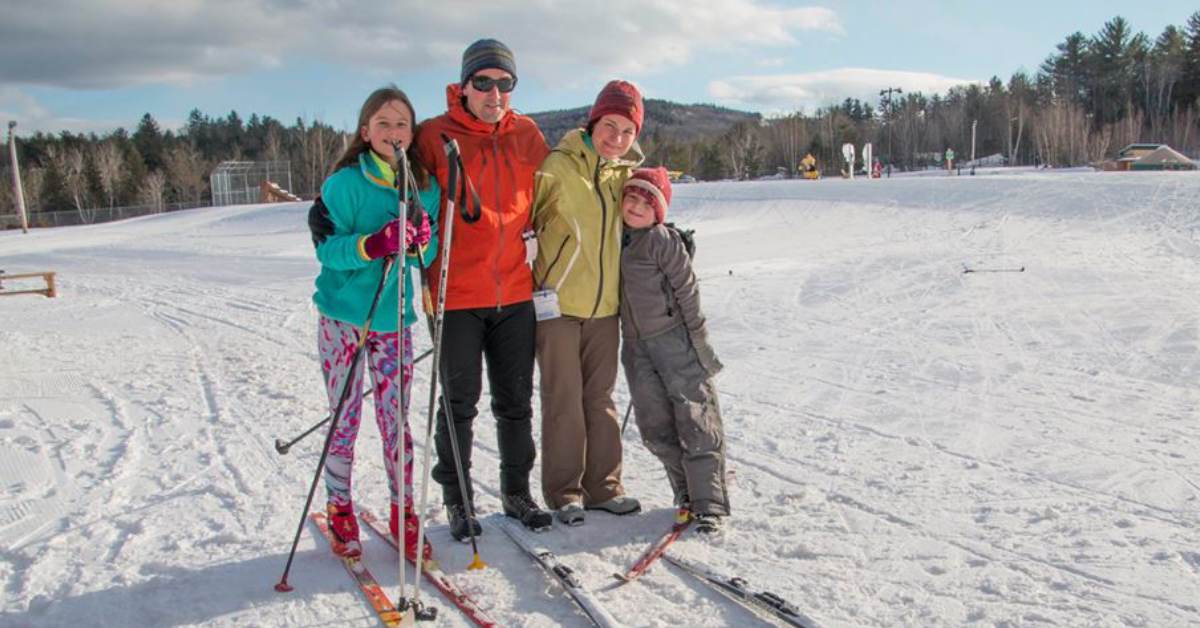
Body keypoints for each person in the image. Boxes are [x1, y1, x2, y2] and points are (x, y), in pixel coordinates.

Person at [413, 38, 553, 539]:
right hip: (455, 294)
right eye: (484, 82)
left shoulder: (528, 134)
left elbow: (561, 190)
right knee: (459, 403)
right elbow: (392, 175)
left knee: (515, 400)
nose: (495, 93)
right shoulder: (433, 135)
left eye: (505, 83)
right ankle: (458, 499)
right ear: (465, 86)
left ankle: (517, 492)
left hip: (516, 290)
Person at [307, 85, 439, 560]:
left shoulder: (423, 187)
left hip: (394, 321)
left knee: (395, 420)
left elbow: (432, 252)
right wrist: (372, 244)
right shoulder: (343, 185)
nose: (393, 132)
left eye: (402, 123)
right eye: (383, 123)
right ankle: (339, 505)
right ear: (366, 132)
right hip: (345, 319)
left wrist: (422, 240)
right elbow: (328, 250)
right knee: (345, 416)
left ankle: (403, 511)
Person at [531, 80, 645, 526]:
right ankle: (564, 493)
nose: (616, 138)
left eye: (627, 131)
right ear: (593, 121)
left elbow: (642, 220)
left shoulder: (626, 178)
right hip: (558, 305)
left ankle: (605, 487)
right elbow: (528, 219)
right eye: (610, 126)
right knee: (564, 399)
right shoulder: (557, 167)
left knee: (600, 399)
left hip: (605, 308)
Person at [617, 167, 730, 533]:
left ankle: (708, 502)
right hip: (635, 347)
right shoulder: (614, 238)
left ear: (659, 210)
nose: (635, 207)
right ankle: (685, 493)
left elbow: (687, 290)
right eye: (630, 198)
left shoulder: (662, 240)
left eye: (645, 202)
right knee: (654, 425)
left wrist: (697, 341)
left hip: (673, 339)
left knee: (695, 418)